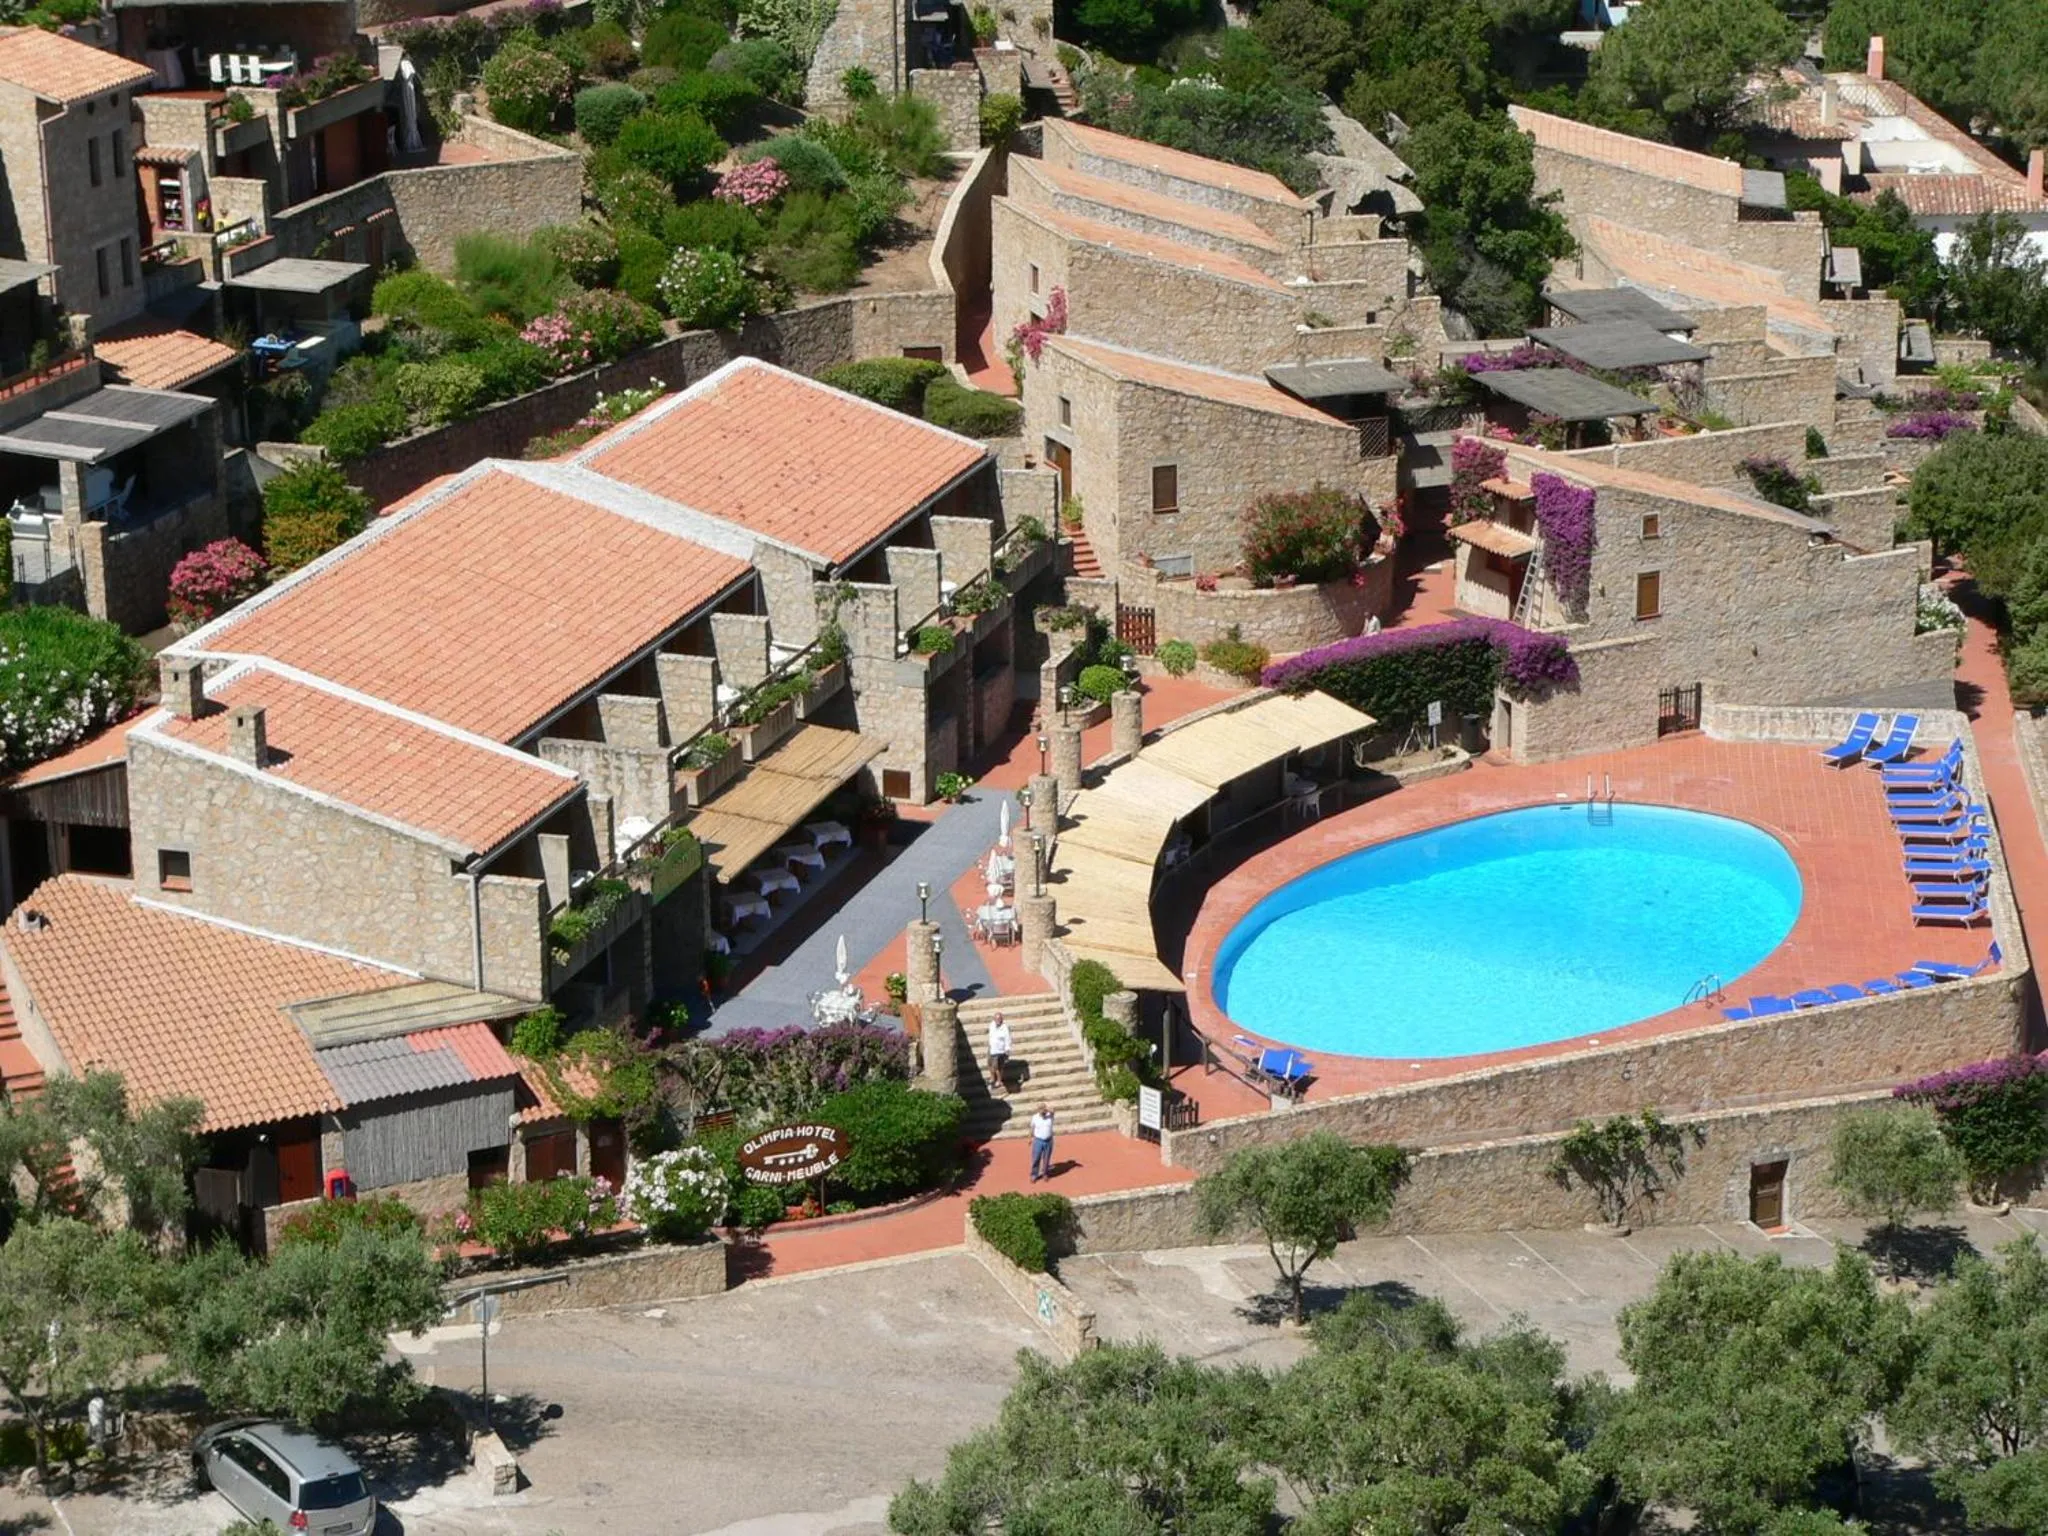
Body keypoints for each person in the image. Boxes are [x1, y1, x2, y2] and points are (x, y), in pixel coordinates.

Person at [987, 1012, 1012, 1094]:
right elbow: (990, 1035)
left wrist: (1007, 1049)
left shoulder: (1005, 1027)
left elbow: (1007, 1039)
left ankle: (999, 1080)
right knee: (990, 1064)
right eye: (996, 1019)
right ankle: (992, 1078)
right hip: (991, 1048)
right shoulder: (992, 1025)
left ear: (1002, 1019)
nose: (998, 1020)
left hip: (999, 1050)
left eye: (999, 1019)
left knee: (997, 1067)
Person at [1029, 1104, 1055, 1182]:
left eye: (1044, 1109)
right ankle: (1034, 1175)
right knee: (1036, 1158)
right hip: (1038, 1141)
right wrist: (1030, 1138)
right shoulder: (1035, 1117)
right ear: (1038, 1110)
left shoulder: (1050, 1116)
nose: (1043, 1110)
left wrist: (1047, 1109)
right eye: (1041, 1109)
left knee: (1046, 1158)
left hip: (1049, 1140)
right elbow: (1032, 1128)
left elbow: (1053, 1110)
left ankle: (1045, 1173)